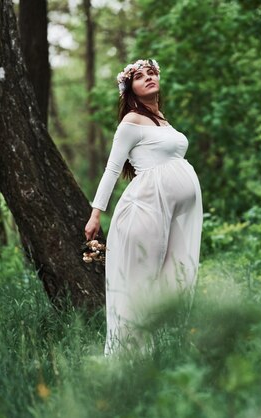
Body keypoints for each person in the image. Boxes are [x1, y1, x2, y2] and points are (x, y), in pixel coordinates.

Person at [84, 59, 203, 355]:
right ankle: (128, 357)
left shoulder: (163, 121)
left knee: (173, 276)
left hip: (173, 213)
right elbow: (113, 169)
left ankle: (164, 350)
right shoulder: (131, 122)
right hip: (145, 208)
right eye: (139, 77)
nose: (148, 78)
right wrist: (96, 213)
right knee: (141, 282)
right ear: (130, 90)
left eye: (152, 73)